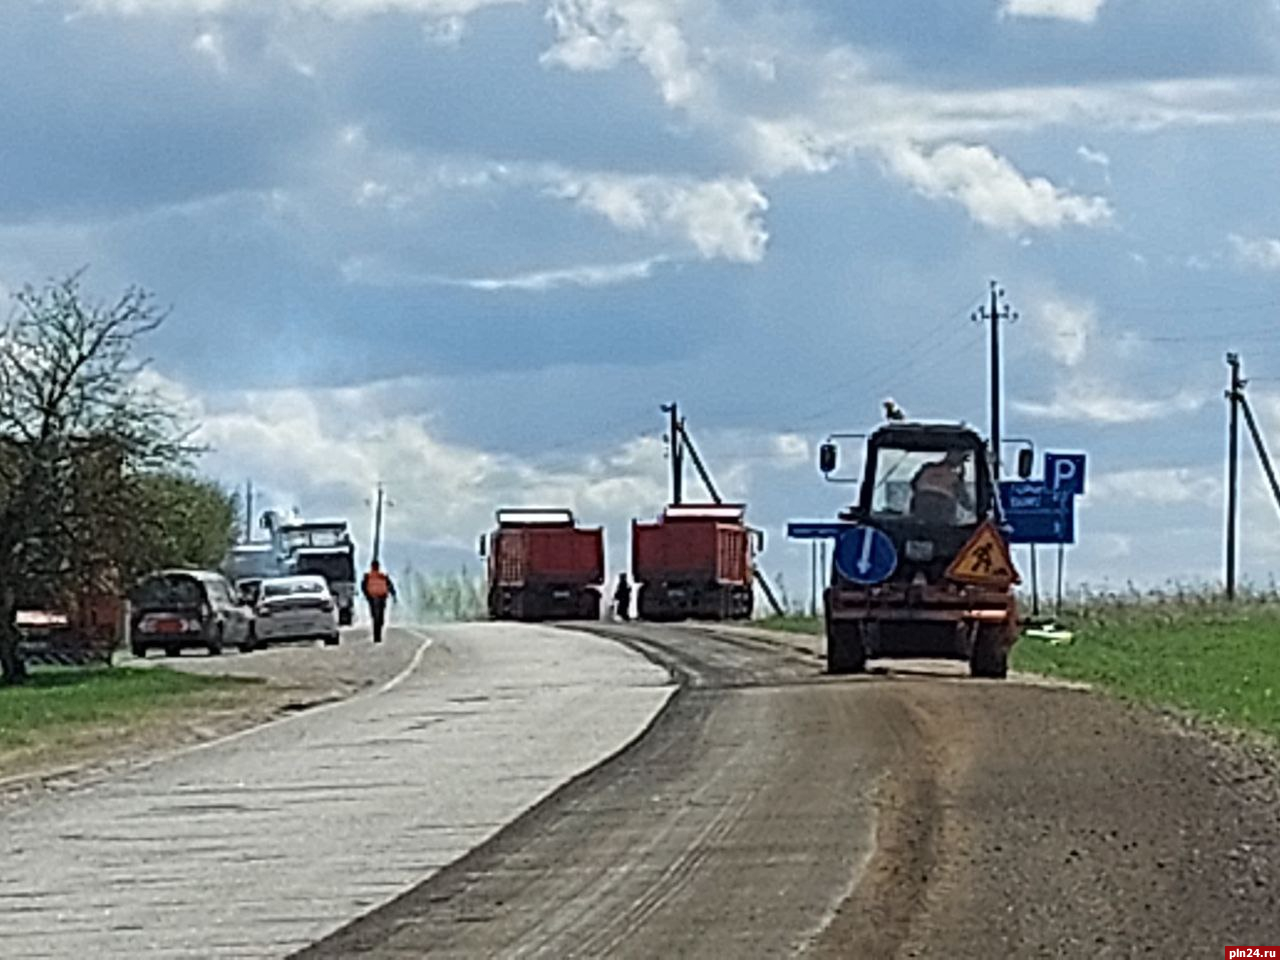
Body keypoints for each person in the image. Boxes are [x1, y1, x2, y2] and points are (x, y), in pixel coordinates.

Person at [910, 449, 974, 524]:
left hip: (922, 513)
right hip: (942, 513)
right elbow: (967, 504)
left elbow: (913, 484)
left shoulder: (927, 469)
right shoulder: (955, 478)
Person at [361, 560, 397, 643]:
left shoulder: (377, 576)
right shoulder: (376, 576)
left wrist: (367, 595)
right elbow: (390, 585)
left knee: (377, 617)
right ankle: (377, 635)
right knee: (378, 617)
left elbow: (363, 586)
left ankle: (377, 634)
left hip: (376, 598)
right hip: (378, 598)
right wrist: (393, 594)